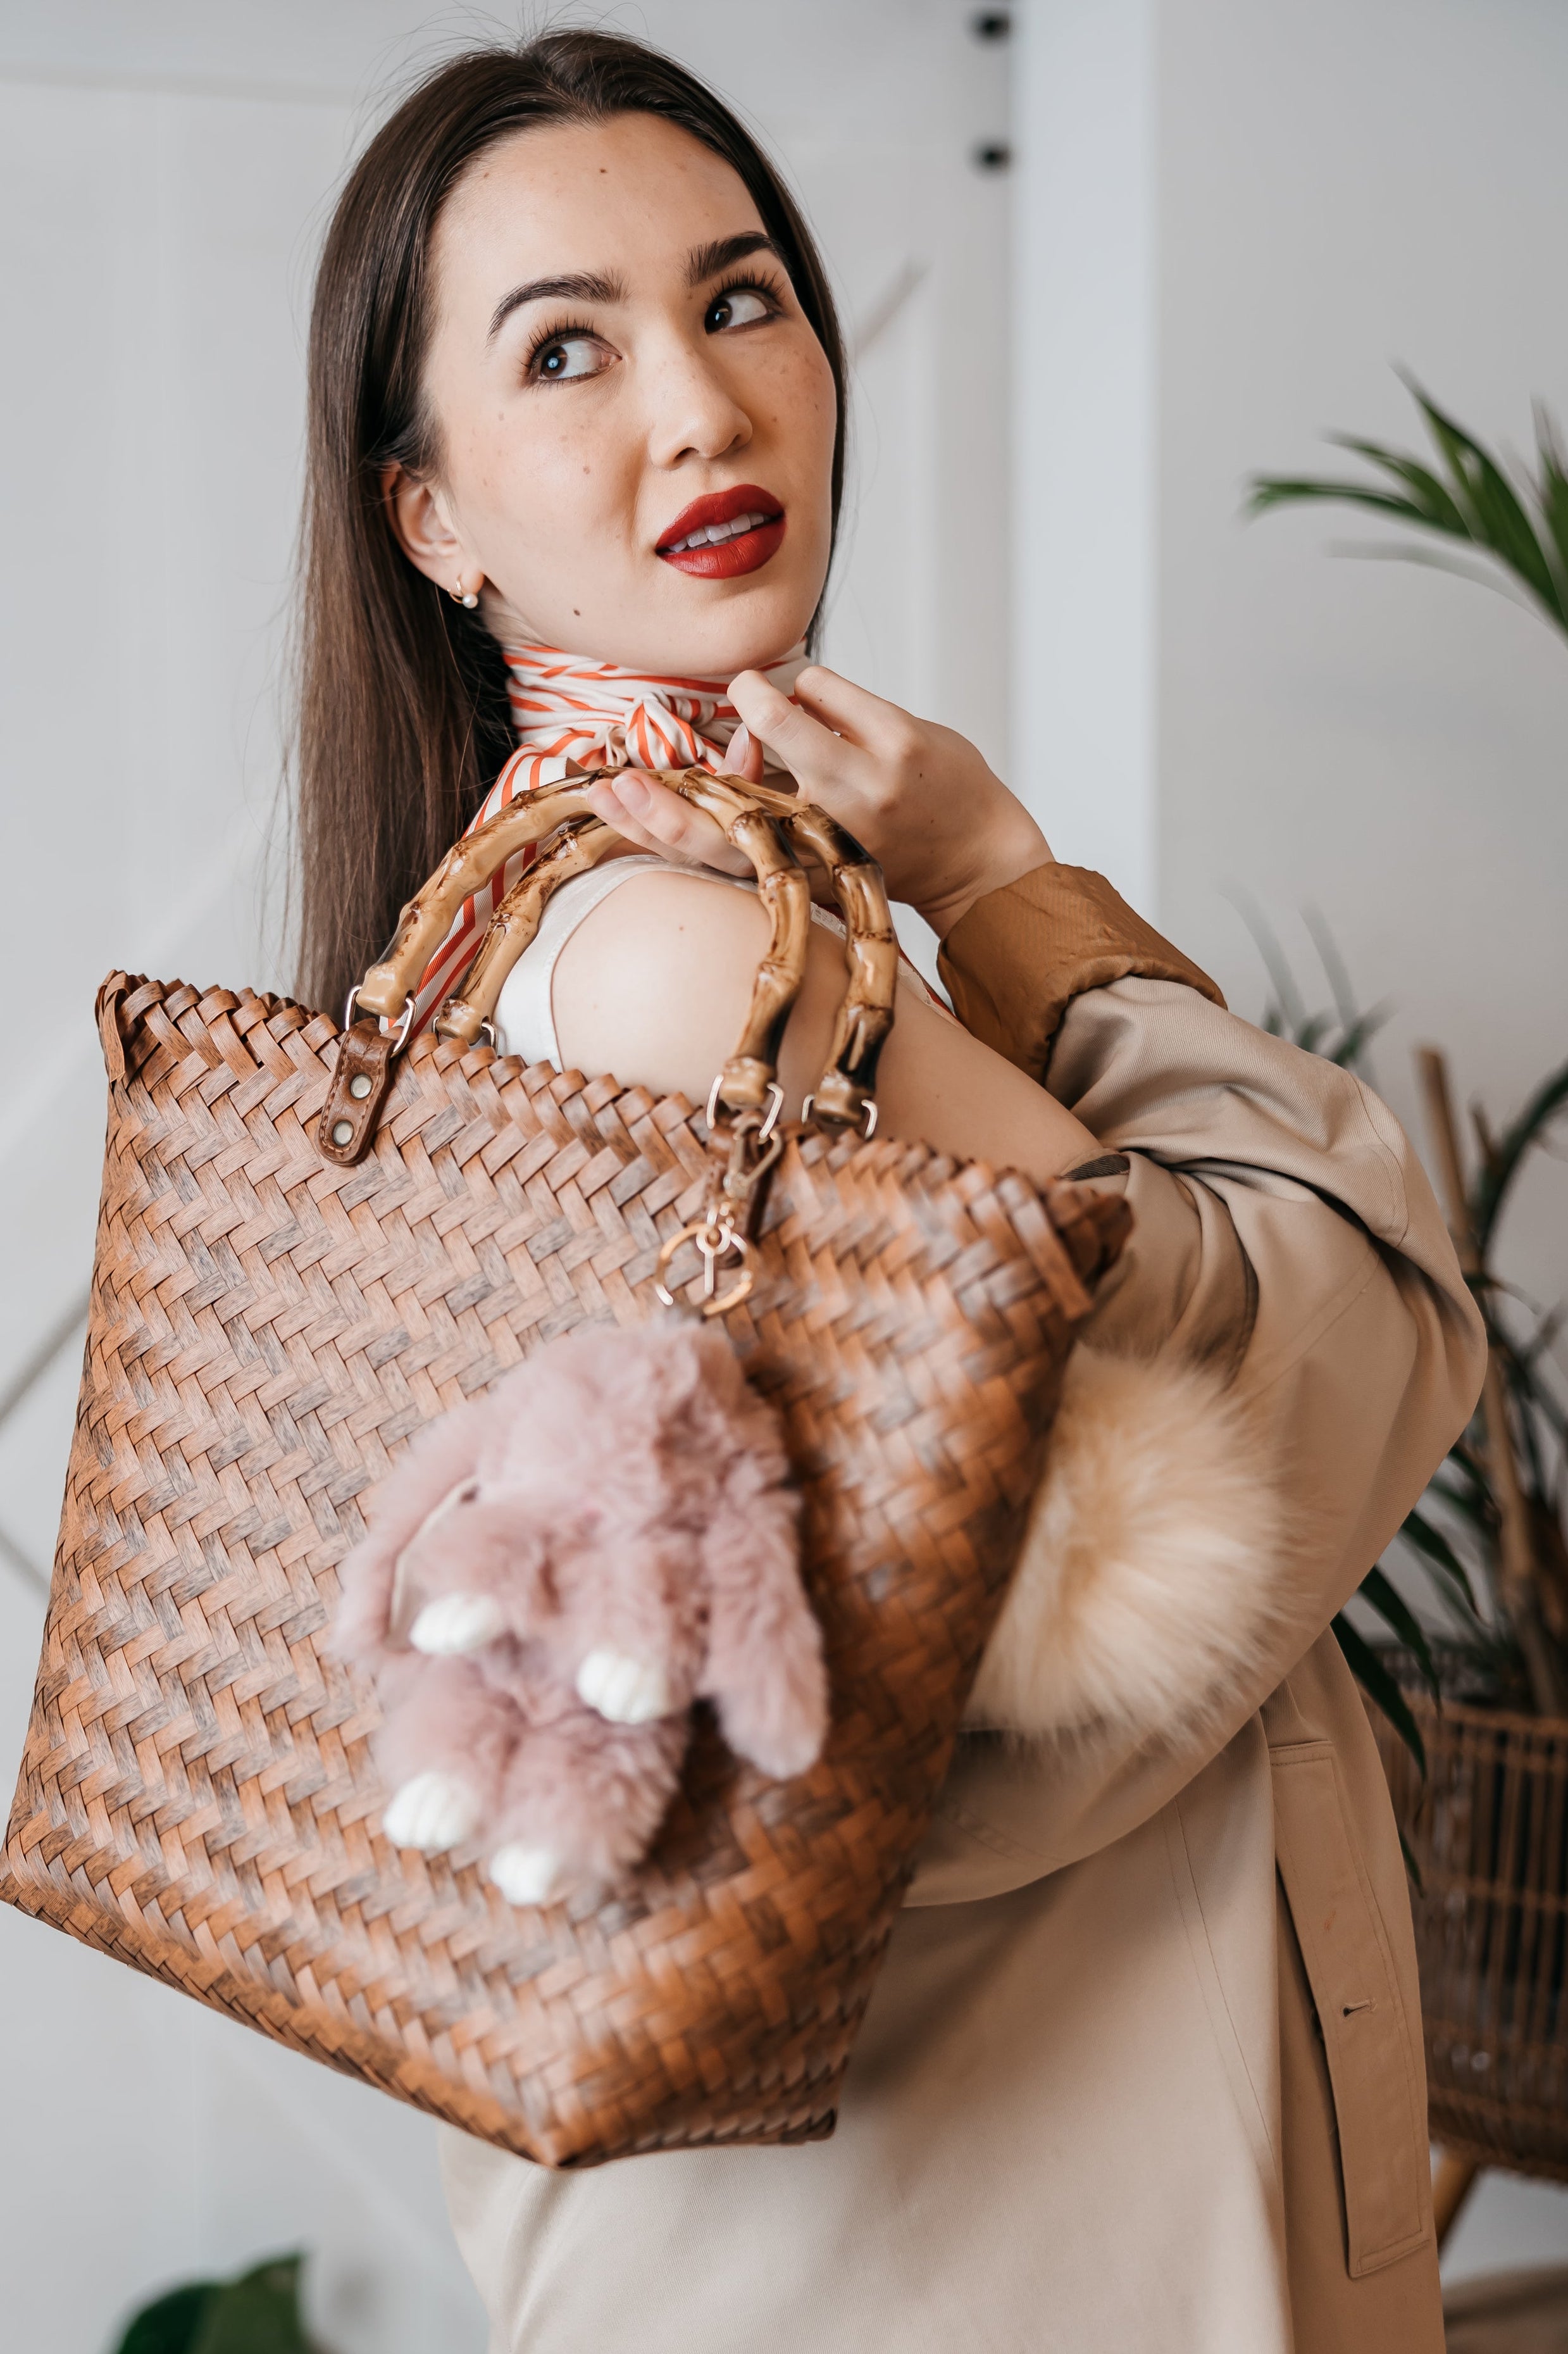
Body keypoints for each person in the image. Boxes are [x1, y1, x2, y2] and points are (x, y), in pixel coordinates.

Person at [294, 32, 1486, 2353]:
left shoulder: (515, 924)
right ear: (428, 513)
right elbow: (1329, 1314)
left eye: (742, 300)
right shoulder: (691, 953)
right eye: (568, 349)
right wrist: (1007, 884)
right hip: (996, 2257)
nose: (705, 407)